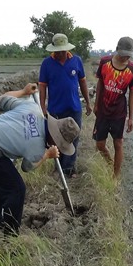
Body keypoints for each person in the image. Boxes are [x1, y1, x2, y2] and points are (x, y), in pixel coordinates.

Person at [0, 83, 80, 236]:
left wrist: (23, 92)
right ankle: (10, 233)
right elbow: (27, 167)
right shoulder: (36, 148)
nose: (58, 146)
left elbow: (3, 99)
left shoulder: (32, 108)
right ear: (55, 137)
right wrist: (47, 155)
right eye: (59, 144)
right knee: (16, 189)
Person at [38, 33, 92, 178]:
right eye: (58, 51)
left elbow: (83, 82)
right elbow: (42, 87)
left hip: (74, 107)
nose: (61, 53)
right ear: (53, 50)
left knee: (73, 136)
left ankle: (70, 168)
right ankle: (59, 168)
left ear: (67, 49)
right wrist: (42, 107)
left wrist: (87, 102)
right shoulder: (47, 64)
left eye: (63, 50)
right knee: (56, 139)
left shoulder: (76, 61)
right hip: (55, 108)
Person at [92, 36, 133, 178]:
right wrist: (95, 104)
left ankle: (115, 176)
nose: (126, 57)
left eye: (128, 55)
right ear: (117, 49)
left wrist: (130, 118)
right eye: (124, 54)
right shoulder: (105, 62)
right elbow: (100, 83)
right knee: (99, 145)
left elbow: (132, 94)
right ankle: (109, 163)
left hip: (119, 112)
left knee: (118, 143)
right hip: (103, 110)